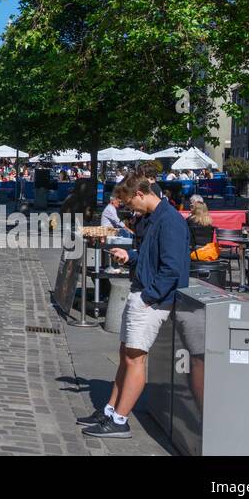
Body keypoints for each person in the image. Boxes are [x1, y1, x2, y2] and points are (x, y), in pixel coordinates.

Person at [80, 178, 189, 438]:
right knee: (126, 356)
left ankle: (120, 420)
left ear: (140, 194)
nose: (130, 210)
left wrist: (148, 297)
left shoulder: (169, 220)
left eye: (130, 203)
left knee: (135, 358)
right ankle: (110, 410)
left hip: (152, 298)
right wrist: (132, 257)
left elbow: (171, 268)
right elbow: (153, 254)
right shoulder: (155, 217)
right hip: (145, 292)